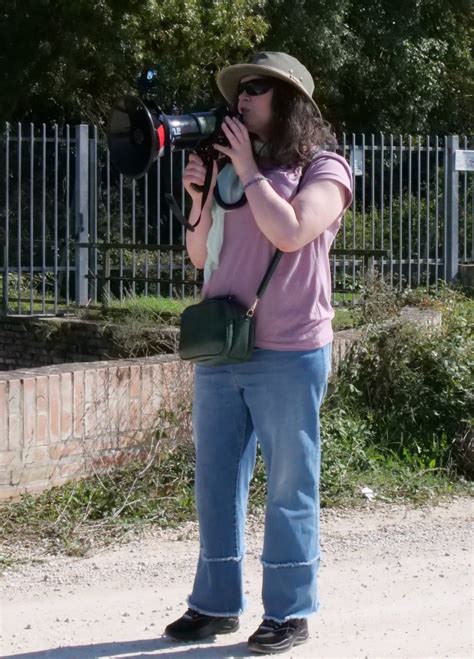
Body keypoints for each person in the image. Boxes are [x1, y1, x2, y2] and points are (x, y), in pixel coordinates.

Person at [165, 51, 352, 655]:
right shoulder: (228, 170)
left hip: (289, 352)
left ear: (288, 101)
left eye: (255, 90)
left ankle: (289, 612)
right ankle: (215, 604)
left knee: (290, 484)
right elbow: (200, 256)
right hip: (222, 346)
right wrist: (198, 197)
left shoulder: (326, 169)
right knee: (217, 481)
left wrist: (247, 169)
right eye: (238, 91)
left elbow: (293, 231)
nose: (240, 99)